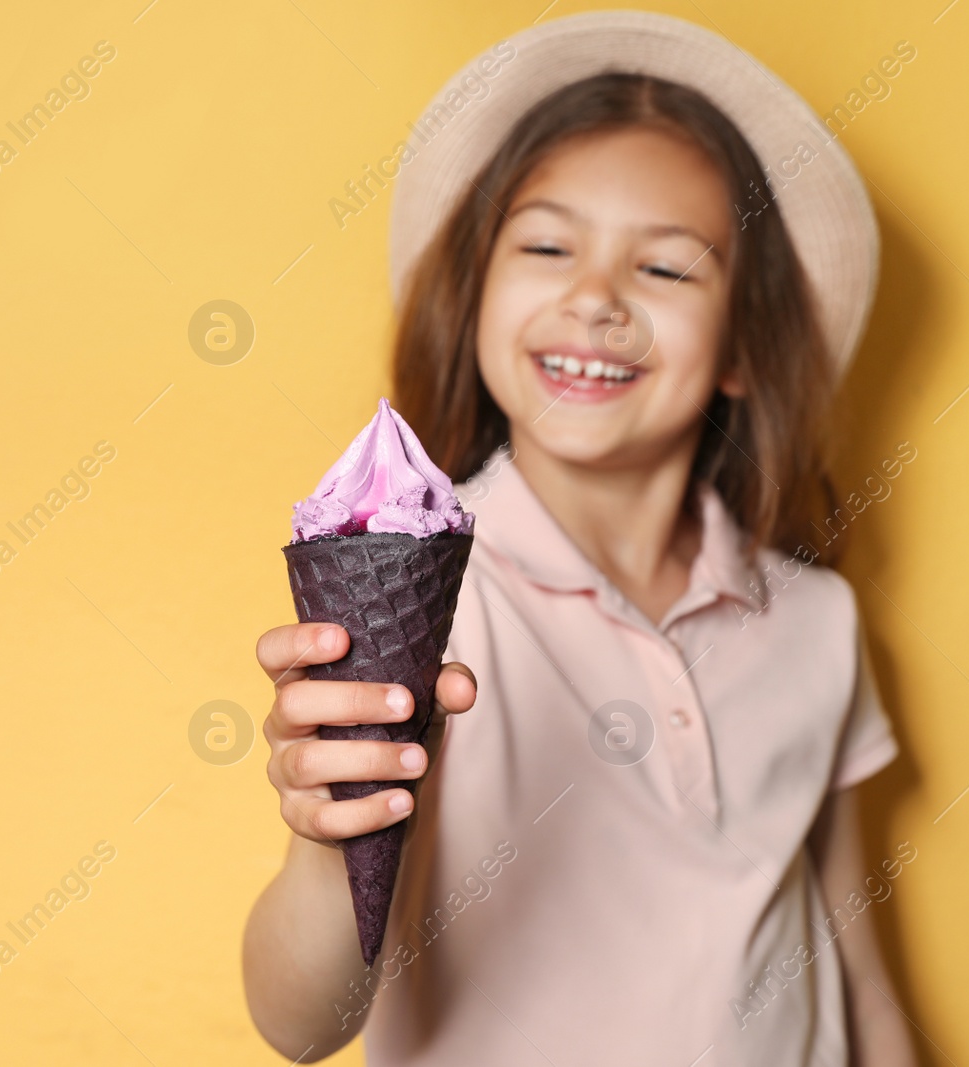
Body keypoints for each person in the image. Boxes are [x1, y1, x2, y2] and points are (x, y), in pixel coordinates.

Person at [244, 11, 917, 1065]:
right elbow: (300, 1021)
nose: (594, 296)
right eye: (549, 246)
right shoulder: (442, 617)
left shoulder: (818, 622)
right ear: (473, 304)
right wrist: (325, 831)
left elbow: (852, 957)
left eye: (666, 269)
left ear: (743, 346)